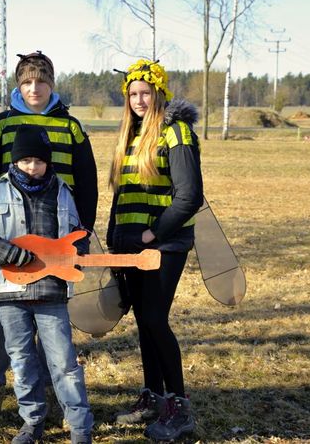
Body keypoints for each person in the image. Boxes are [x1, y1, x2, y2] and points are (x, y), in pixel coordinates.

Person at [0, 51, 98, 426]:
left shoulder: (71, 127)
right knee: (2, 328)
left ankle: (51, 399)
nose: (34, 89)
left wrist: (81, 237)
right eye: (26, 82)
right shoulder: (2, 124)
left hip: (57, 237)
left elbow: (87, 184)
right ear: (18, 85)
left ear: (51, 84)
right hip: (9, 240)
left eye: (41, 81)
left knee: (52, 328)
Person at [107, 59, 203, 441]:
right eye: (133, 94)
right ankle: (152, 396)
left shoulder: (176, 133)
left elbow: (189, 197)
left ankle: (179, 407)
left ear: (159, 93)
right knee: (143, 321)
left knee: (154, 318)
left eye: (145, 93)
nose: (139, 100)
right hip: (131, 245)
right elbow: (122, 195)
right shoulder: (130, 135)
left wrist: (153, 234)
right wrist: (115, 238)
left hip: (163, 245)